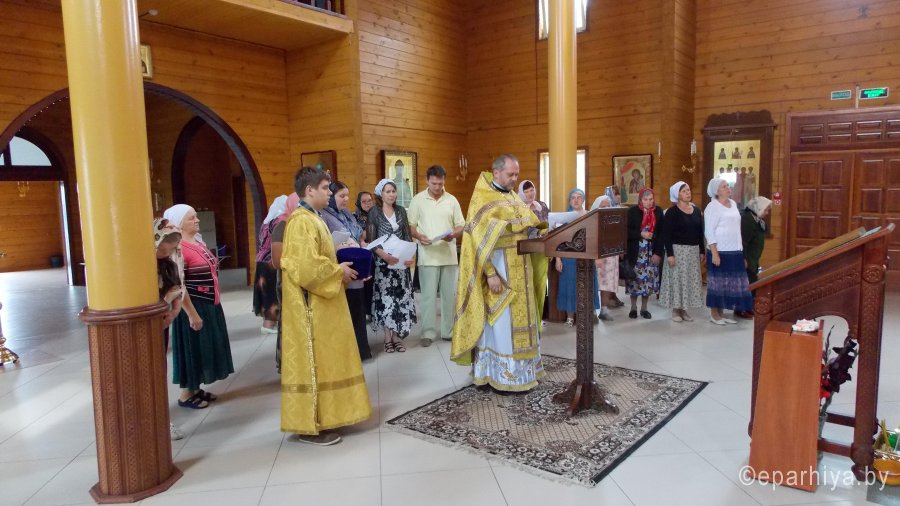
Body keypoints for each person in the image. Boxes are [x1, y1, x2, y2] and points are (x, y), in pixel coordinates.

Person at [280, 167, 371, 445]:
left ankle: (332, 415)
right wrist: (337, 271)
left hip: (324, 304)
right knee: (315, 363)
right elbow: (305, 267)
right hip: (310, 308)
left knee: (330, 360)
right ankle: (311, 426)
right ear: (309, 190)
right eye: (324, 188)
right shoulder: (300, 221)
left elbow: (319, 256)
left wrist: (344, 265)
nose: (329, 193)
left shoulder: (314, 217)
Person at [451, 154, 543, 393]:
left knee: (521, 321)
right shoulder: (483, 197)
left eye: (517, 174)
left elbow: (527, 223)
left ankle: (523, 374)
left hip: (521, 267)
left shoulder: (512, 196)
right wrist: (490, 273)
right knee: (500, 322)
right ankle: (498, 375)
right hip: (499, 268)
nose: (515, 179)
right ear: (496, 172)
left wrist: (537, 231)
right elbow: (476, 240)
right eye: (511, 174)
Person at [163, 204, 234, 409]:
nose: (197, 220)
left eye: (196, 217)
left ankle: (195, 389)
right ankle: (186, 394)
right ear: (179, 223)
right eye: (191, 218)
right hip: (193, 306)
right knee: (193, 349)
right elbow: (179, 285)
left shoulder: (197, 242)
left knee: (205, 348)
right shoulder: (178, 248)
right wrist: (192, 314)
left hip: (209, 303)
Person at [407, 165, 465, 347]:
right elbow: (410, 225)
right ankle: (427, 333)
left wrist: (453, 234)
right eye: (434, 183)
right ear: (427, 181)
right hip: (427, 256)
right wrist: (419, 236)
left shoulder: (452, 200)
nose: (438, 187)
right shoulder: (418, 200)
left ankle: (448, 331)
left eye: (440, 183)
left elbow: (461, 224)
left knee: (449, 297)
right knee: (428, 297)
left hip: (448, 255)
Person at [321, 181, 373, 360]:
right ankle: (349, 354)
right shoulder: (324, 215)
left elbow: (357, 233)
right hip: (340, 267)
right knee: (347, 311)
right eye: (341, 196)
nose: (345, 199)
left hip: (356, 263)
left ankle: (361, 350)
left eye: (347, 195)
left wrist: (362, 243)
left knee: (358, 308)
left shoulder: (347, 214)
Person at [368, 178, 416, 353]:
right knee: (386, 300)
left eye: (393, 191)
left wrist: (410, 256)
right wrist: (385, 256)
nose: (391, 194)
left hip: (401, 264)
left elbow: (407, 236)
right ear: (381, 194)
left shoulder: (401, 210)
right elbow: (372, 240)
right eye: (388, 191)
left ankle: (396, 337)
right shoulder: (374, 212)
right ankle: (387, 337)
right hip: (384, 265)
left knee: (400, 300)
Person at [153, 217, 186, 440]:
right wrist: (166, 300)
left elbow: (177, 291)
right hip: (147, 323)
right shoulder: (141, 267)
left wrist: (173, 311)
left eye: (172, 248)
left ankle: (163, 419)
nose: (167, 252)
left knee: (158, 369)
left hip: (162, 324)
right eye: (164, 247)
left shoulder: (169, 265)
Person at [704, 178, 753, 325]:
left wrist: (742, 253)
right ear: (717, 191)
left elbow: (737, 229)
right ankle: (714, 314)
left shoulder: (733, 204)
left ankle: (722, 313)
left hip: (735, 250)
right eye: (724, 186)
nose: (728, 188)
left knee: (730, 284)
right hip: (720, 251)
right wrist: (715, 253)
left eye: (727, 185)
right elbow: (709, 231)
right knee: (717, 283)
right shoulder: (712, 207)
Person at [658, 182, 705, 323]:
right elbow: (666, 235)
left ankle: (684, 310)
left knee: (689, 280)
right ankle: (676, 310)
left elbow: (700, 232)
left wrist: (702, 250)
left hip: (692, 251)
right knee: (677, 280)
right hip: (677, 251)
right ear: (677, 195)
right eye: (684, 191)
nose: (688, 193)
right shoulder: (671, 212)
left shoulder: (696, 211)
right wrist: (670, 254)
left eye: (688, 190)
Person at [555, 188, 600, 326]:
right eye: (573, 197)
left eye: (579, 197)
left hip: (586, 256)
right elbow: (558, 240)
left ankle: (589, 313)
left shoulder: (590, 215)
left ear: (583, 200)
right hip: (568, 256)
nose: (576, 200)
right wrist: (558, 259)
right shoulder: (564, 217)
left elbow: (595, 237)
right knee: (569, 285)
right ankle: (570, 316)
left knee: (587, 284)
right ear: (569, 200)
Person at [271, 192, 300, 373]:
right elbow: (277, 261)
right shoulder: (282, 227)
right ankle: (288, 364)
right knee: (290, 322)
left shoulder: (302, 224)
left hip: (303, 279)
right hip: (289, 280)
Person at [625, 188, 664, 319]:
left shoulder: (658, 212)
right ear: (640, 200)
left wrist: (658, 253)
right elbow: (626, 232)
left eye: (651, 199)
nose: (648, 202)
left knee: (648, 280)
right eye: (645, 199)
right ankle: (633, 307)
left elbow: (661, 234)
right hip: (636, 252)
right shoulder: (632, 211)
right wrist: (641, 234)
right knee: (635, 280)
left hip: (651, 251)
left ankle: (644, 308)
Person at [517, 180, 550, 328]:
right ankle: (529, 318)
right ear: (521, 193)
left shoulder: (541, 206)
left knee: (541, 284)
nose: (530, 194)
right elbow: (522, 230)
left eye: (532, 190)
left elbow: (549, 222)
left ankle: (539, 317)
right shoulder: (518, 208)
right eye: (526, 191)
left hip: (541, 251)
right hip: (526, 251)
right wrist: (538, 232)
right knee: (528, 285)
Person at [254, 195, 287, 335]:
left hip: (261, 260)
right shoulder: (279, 221)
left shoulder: (267, 221)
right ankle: (269, 325)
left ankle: (267, 324)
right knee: (272, 293)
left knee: (265, 292)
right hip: (271, 261)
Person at [737, 196, 772, 318]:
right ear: (758, 208)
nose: (767, 213)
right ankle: (741, 309)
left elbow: (763, 230)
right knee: (747, 282)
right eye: (766, 210)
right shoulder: (747, 219)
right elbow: (743, 241)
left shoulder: (757, 219)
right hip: (747, 257)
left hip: (754, 257)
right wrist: (743, 258)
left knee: (752, 281)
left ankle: (748, 307)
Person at [590, 195, 619, 321]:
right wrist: (597, 256)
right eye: (603, 206)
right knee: (594, 283)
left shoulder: (614, 219)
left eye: (608, 206)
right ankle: (592, 310)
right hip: (597, 256)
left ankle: (604, 309)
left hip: (611, 256)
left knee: (607, 284)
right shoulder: (592, 221)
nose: (606, 208)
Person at [354, 191, 376, 320]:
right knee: (366, 284)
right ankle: (366, 311)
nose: (367, 203)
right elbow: (356, 235)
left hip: (378, 250)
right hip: (363, 253)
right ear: (359, 203)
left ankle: (374, 310)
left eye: (369, 201)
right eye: (364, 201)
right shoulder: (354, 217)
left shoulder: (377, 214)